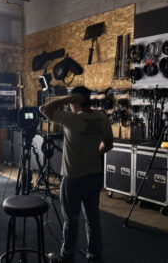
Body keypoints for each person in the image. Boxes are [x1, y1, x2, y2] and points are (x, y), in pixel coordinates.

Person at [39, 86, 113, 263]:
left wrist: (68, 99)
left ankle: (66, 257)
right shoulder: (101, 118)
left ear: (76, 101)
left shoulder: (71, 119)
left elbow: (44, 109)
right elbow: (108, 145)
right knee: (92, 220)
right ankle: (95, 258)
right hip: (94, 175)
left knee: (71, 220)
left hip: (73, 179)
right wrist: (95, 152)